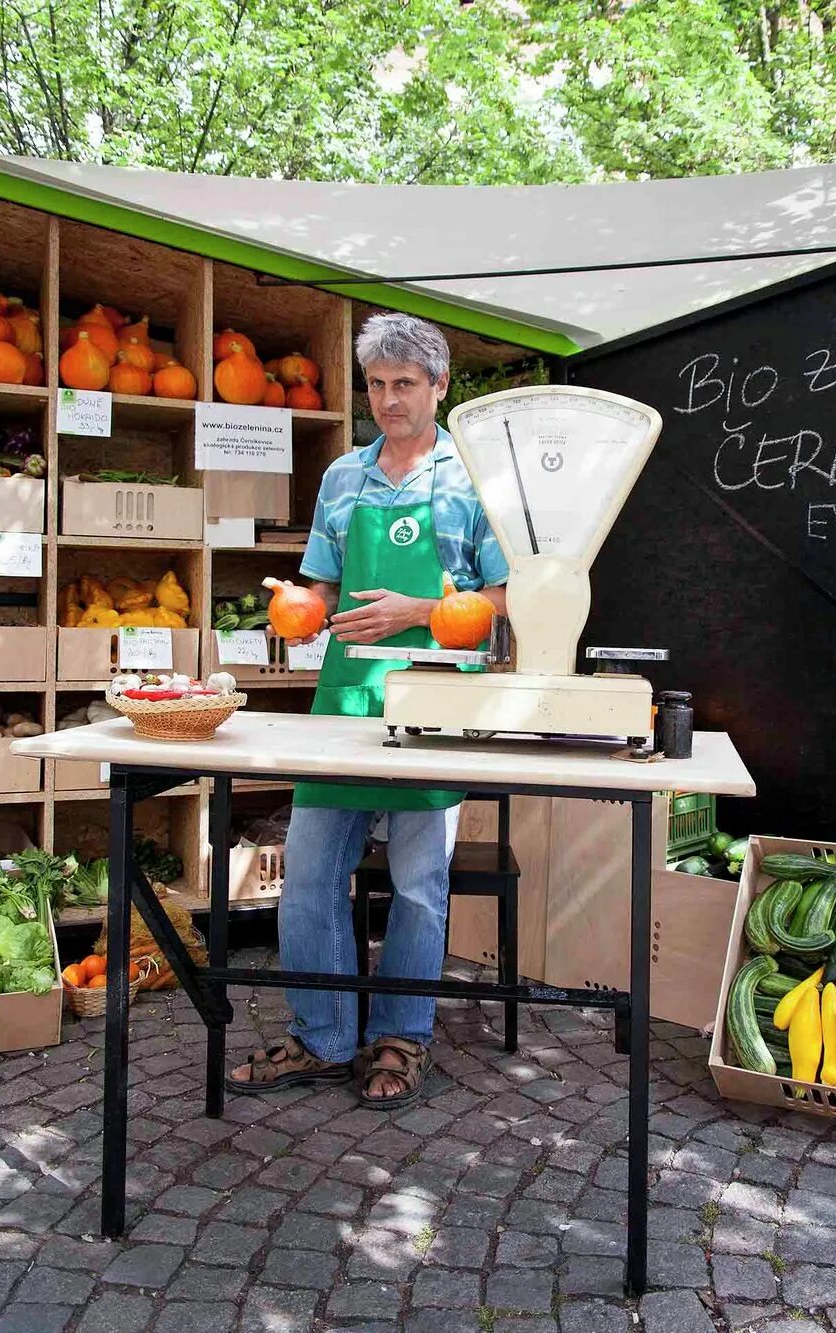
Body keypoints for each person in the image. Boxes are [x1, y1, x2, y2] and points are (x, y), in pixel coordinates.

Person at [226, 312, 508, 1108]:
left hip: (437, 696)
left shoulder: (472, 477)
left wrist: (417, 608)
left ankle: (401, 1035)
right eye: (377, 384)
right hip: (345, 696)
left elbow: (506, 594)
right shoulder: (342, 476)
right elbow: (321, 582)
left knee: (419, 884)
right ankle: (322, 1035)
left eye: (405, 384)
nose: (388, 399)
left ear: (440, 385)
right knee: (311, 870)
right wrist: (298, 602)